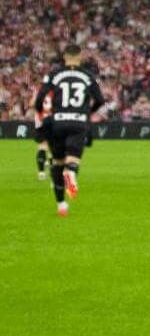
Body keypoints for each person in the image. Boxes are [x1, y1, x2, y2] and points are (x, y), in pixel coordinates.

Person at [35, 46, 106, 217]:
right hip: (79, 122)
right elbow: (100, 100)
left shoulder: (54, 74)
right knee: (73, 158)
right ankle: (71, 172)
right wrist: (87, 112)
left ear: (65, 56)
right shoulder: (88, 76)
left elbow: (40, 98)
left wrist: (42, 113)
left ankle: (61, 205)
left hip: (58, 122)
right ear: (80, 57)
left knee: (58, 163)